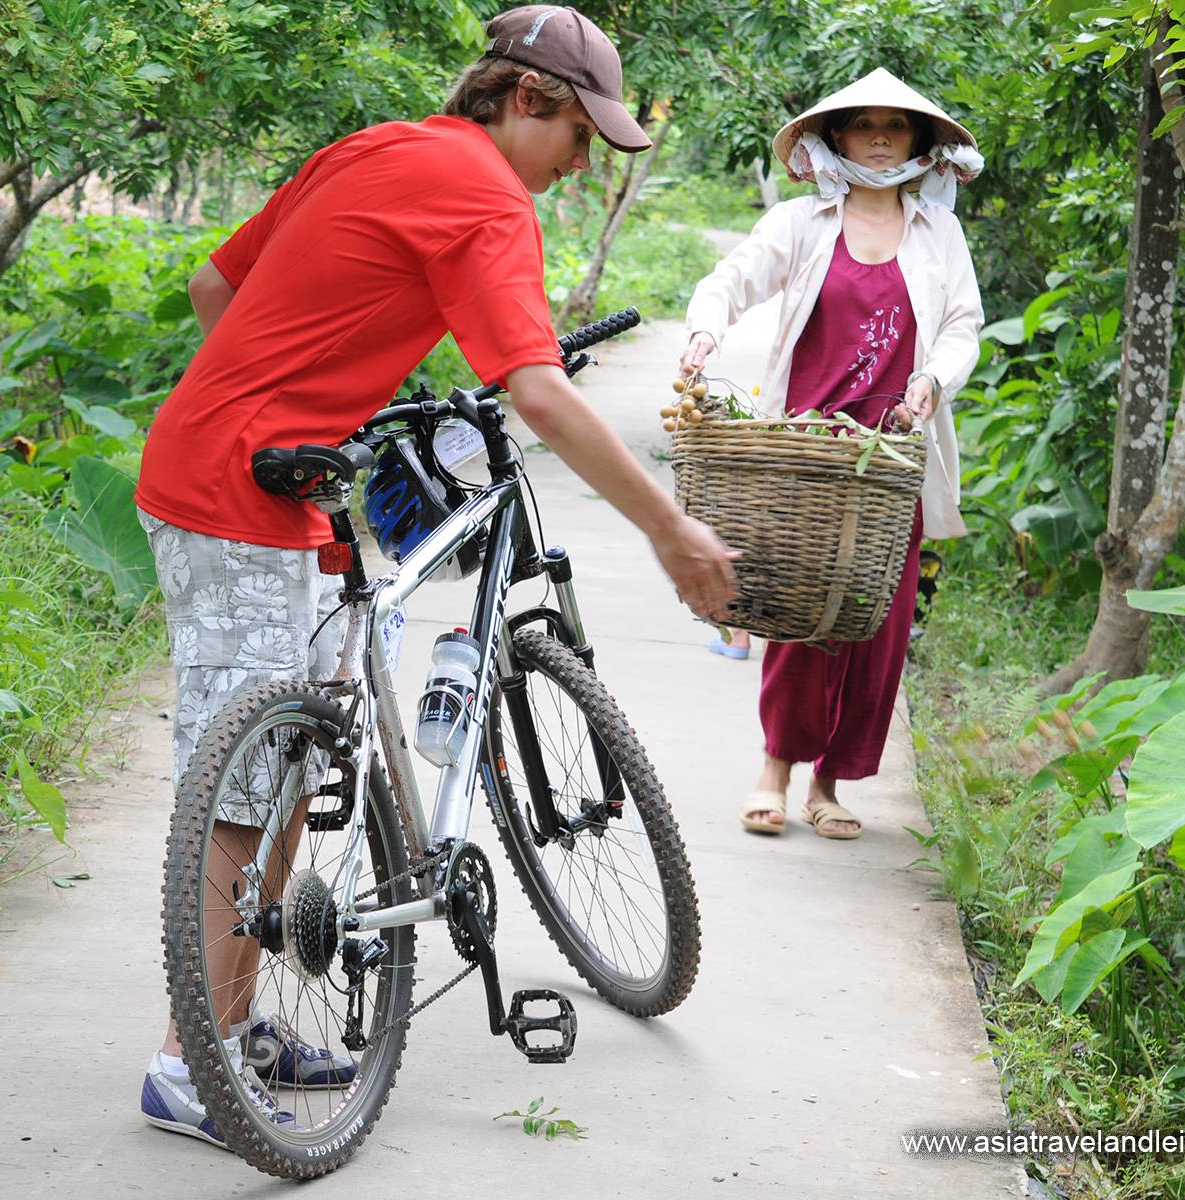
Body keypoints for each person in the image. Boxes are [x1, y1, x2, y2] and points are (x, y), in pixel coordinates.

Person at [133, 5, 738, 1149]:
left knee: (294, 752)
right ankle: (189, 1065)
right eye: (578, 139)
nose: (576, 169)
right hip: (235, 494)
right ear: (525, 101)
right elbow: (539, 391)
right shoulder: (487, 199)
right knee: (246, 791)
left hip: (261, 474)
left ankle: (234, 1025)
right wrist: (671, 530)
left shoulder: (377, 148)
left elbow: (219, 292)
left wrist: (287, 403)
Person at [679, 68, 984, 841]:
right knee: (798, 616)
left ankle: (830, 785)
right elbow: (734, 279)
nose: (880, 137)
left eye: (897, 126)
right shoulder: (802, 222)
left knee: (874, 624)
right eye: (864, 124)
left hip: (891, 458)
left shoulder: (938, 233)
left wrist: (933, 381)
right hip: (808, 453)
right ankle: (774, 769)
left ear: (920, 142)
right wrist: (705, 329)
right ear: (837, 137)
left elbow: (961, 327)